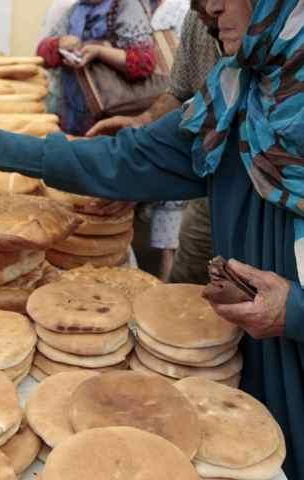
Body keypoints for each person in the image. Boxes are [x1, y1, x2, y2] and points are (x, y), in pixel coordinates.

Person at [0, 0, 304, 475]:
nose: (211, 6)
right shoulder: (239, 94)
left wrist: (294, 310)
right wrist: (1, 145)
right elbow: (129, 159)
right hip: (255, 354)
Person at [87, 4, 222, 283]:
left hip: (269, 195)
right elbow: (179, 92)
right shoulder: (195, 21)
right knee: (188, 277)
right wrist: (144, 121)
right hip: (210, 188)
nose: (209, 8)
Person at [36, 0, 157, 135]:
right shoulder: (75, 9)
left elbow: (144, 63)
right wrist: (59, 44)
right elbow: (42, 56)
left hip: (114, 116)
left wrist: (99, 52)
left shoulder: (126, 5)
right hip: (72, 112)